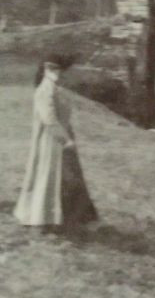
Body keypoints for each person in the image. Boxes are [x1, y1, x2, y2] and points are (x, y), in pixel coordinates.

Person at [14, 56, 98, 229]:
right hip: (50, 140)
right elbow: (49, 119)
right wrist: (65, 139)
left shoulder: (56, 89)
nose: (57, 74)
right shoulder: (44, 91)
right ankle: (41, 218)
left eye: (59, 70)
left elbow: (62, 115)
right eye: (53, 70)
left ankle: (69, 217)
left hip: (62, 138)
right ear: (45, 70)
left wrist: (68, 136)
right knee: (48, 176)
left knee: (68, 178)